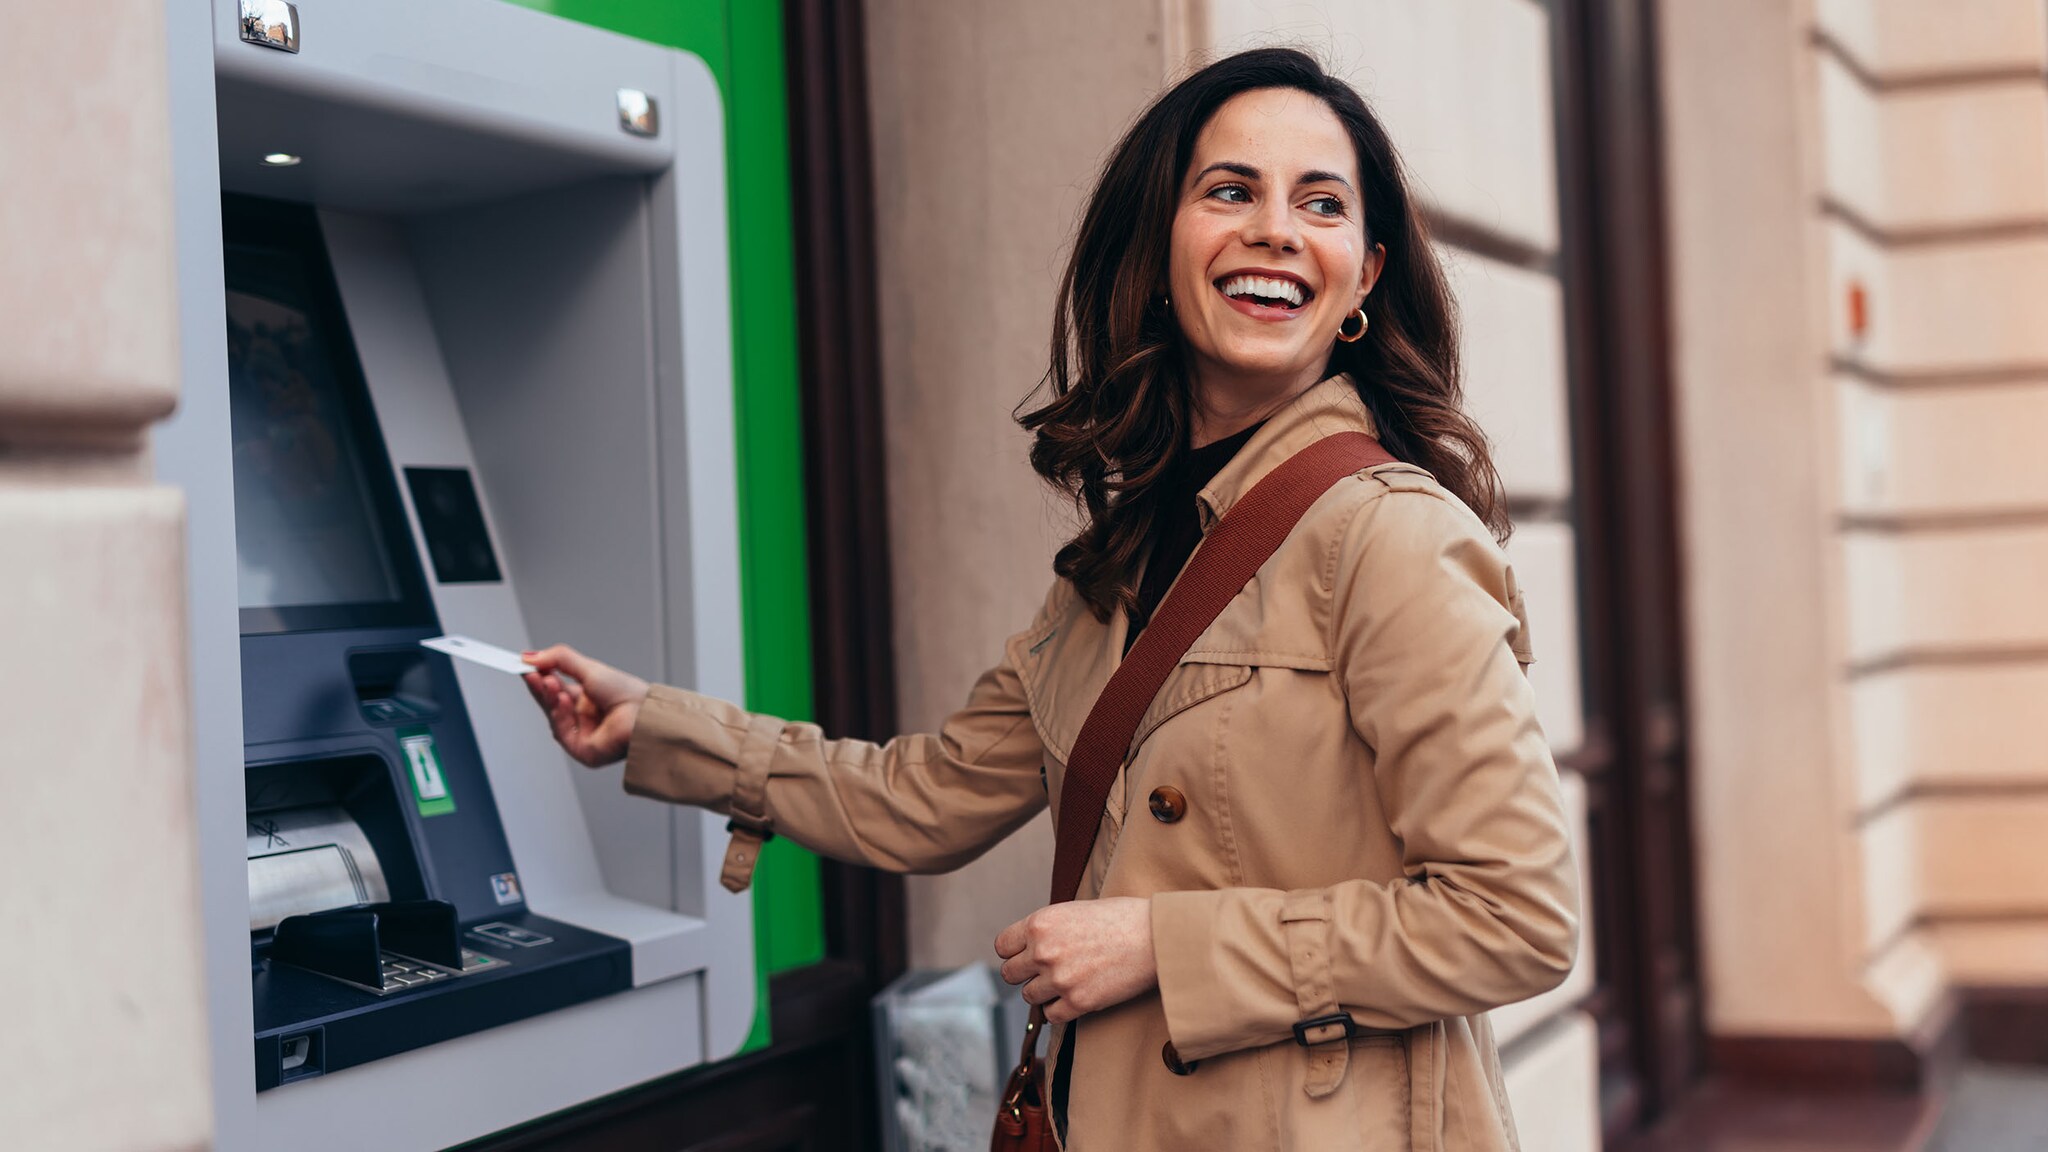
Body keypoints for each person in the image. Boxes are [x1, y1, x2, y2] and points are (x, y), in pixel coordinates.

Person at [523, 47, 1578, 1152]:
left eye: (1318, 203)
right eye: (1230, 190)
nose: (1273, 228)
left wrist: (1165, 946)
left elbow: (1511, 917)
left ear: (1361, 277)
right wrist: (666, 730)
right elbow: (921, 795)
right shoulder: (1116, 568)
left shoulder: (1391, 537)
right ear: (1155, 246)